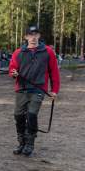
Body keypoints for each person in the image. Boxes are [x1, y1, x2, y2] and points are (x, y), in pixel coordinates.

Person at [9, 26, 60, 156]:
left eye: (35, 34)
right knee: (18, 116)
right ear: (25, 37)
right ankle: (21, 142)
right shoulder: (18, 52)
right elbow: (12, 69)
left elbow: (54, 72)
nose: (32, 37)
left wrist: (54, 90)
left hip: (38, 88)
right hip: (21, 89)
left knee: (31, 115)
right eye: (30, 35)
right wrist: (14, 73)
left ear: (39, 36)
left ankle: (30, 144)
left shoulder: (48, 52)